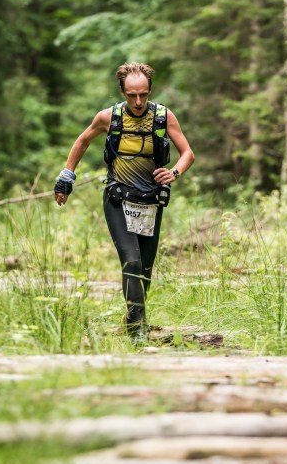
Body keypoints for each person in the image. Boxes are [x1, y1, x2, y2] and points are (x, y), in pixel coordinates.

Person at [54, 62, 194, 341]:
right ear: (122, 92)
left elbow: (187, 153)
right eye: (132, 95)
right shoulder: (109, 117)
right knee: (131, 261)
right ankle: (138, 331)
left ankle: (133, 318)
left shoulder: (164, 117)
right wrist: (66, 177)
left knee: (145, 269)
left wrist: (174, 173)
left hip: (151, 201)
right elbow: (82, 141)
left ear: (150, 90)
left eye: (143, 94)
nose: (138, 101)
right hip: (118, 198)